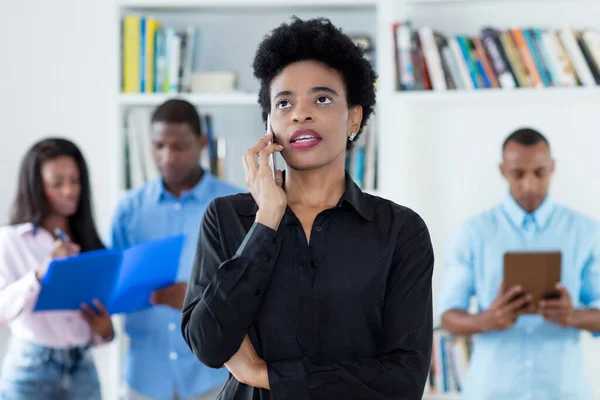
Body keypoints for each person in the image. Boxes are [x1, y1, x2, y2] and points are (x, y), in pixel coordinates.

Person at [181, 17, 434, 400]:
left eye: (322, 99)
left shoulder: (401, 231)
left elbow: (404, 380)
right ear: (269, 124)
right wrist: (266, 220)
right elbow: (207, 345)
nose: (301, 113)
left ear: (354, 117)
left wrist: (264, 374)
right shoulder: (227, 218)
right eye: (284, 103)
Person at [439, 128, 600, 400]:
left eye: (539, 172)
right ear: (503, 170)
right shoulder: (472, 233)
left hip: (564, 391)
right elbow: (448, 318)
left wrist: (573, 316)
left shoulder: (587, 232)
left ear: (553, 168)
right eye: (518, 174)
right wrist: (485, 320)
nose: (529, 185)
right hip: (490, 392)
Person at [110, 99, 240, 400]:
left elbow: (255, 290)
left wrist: (200, 297)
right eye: (158, 146)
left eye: (179, 146)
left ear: (202, 142)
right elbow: (112, 284)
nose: (167, 157)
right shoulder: (129, 209)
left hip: (212, 376)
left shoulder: (236, 205)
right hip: (144, 378)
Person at [0, 138, 115, 400]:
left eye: (75, 180)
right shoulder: (11, 240)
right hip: (31, 369)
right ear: (36, 187)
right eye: (58, 182)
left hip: (82, 367)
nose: (69, 190)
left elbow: (93, 316)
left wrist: (105, 331)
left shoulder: (89, 242)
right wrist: (41, 274)